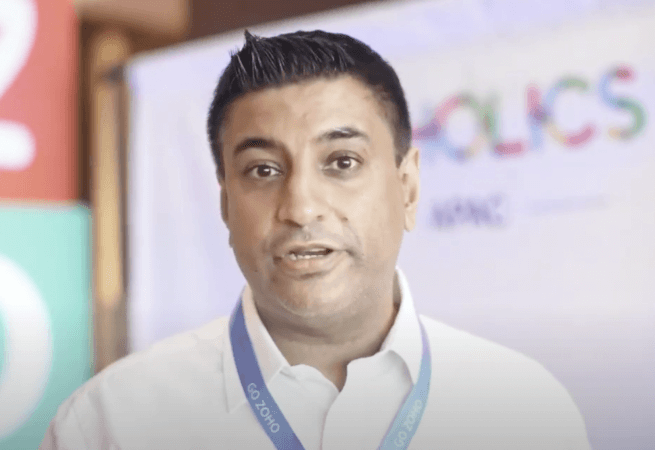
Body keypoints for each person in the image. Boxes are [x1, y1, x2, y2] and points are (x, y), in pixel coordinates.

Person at [40, 30, 591, 450]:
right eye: (262, 170)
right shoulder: (110, 423)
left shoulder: (530, 413)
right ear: (226, 205)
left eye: (342, 161)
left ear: (407, 188)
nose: (301, 208)